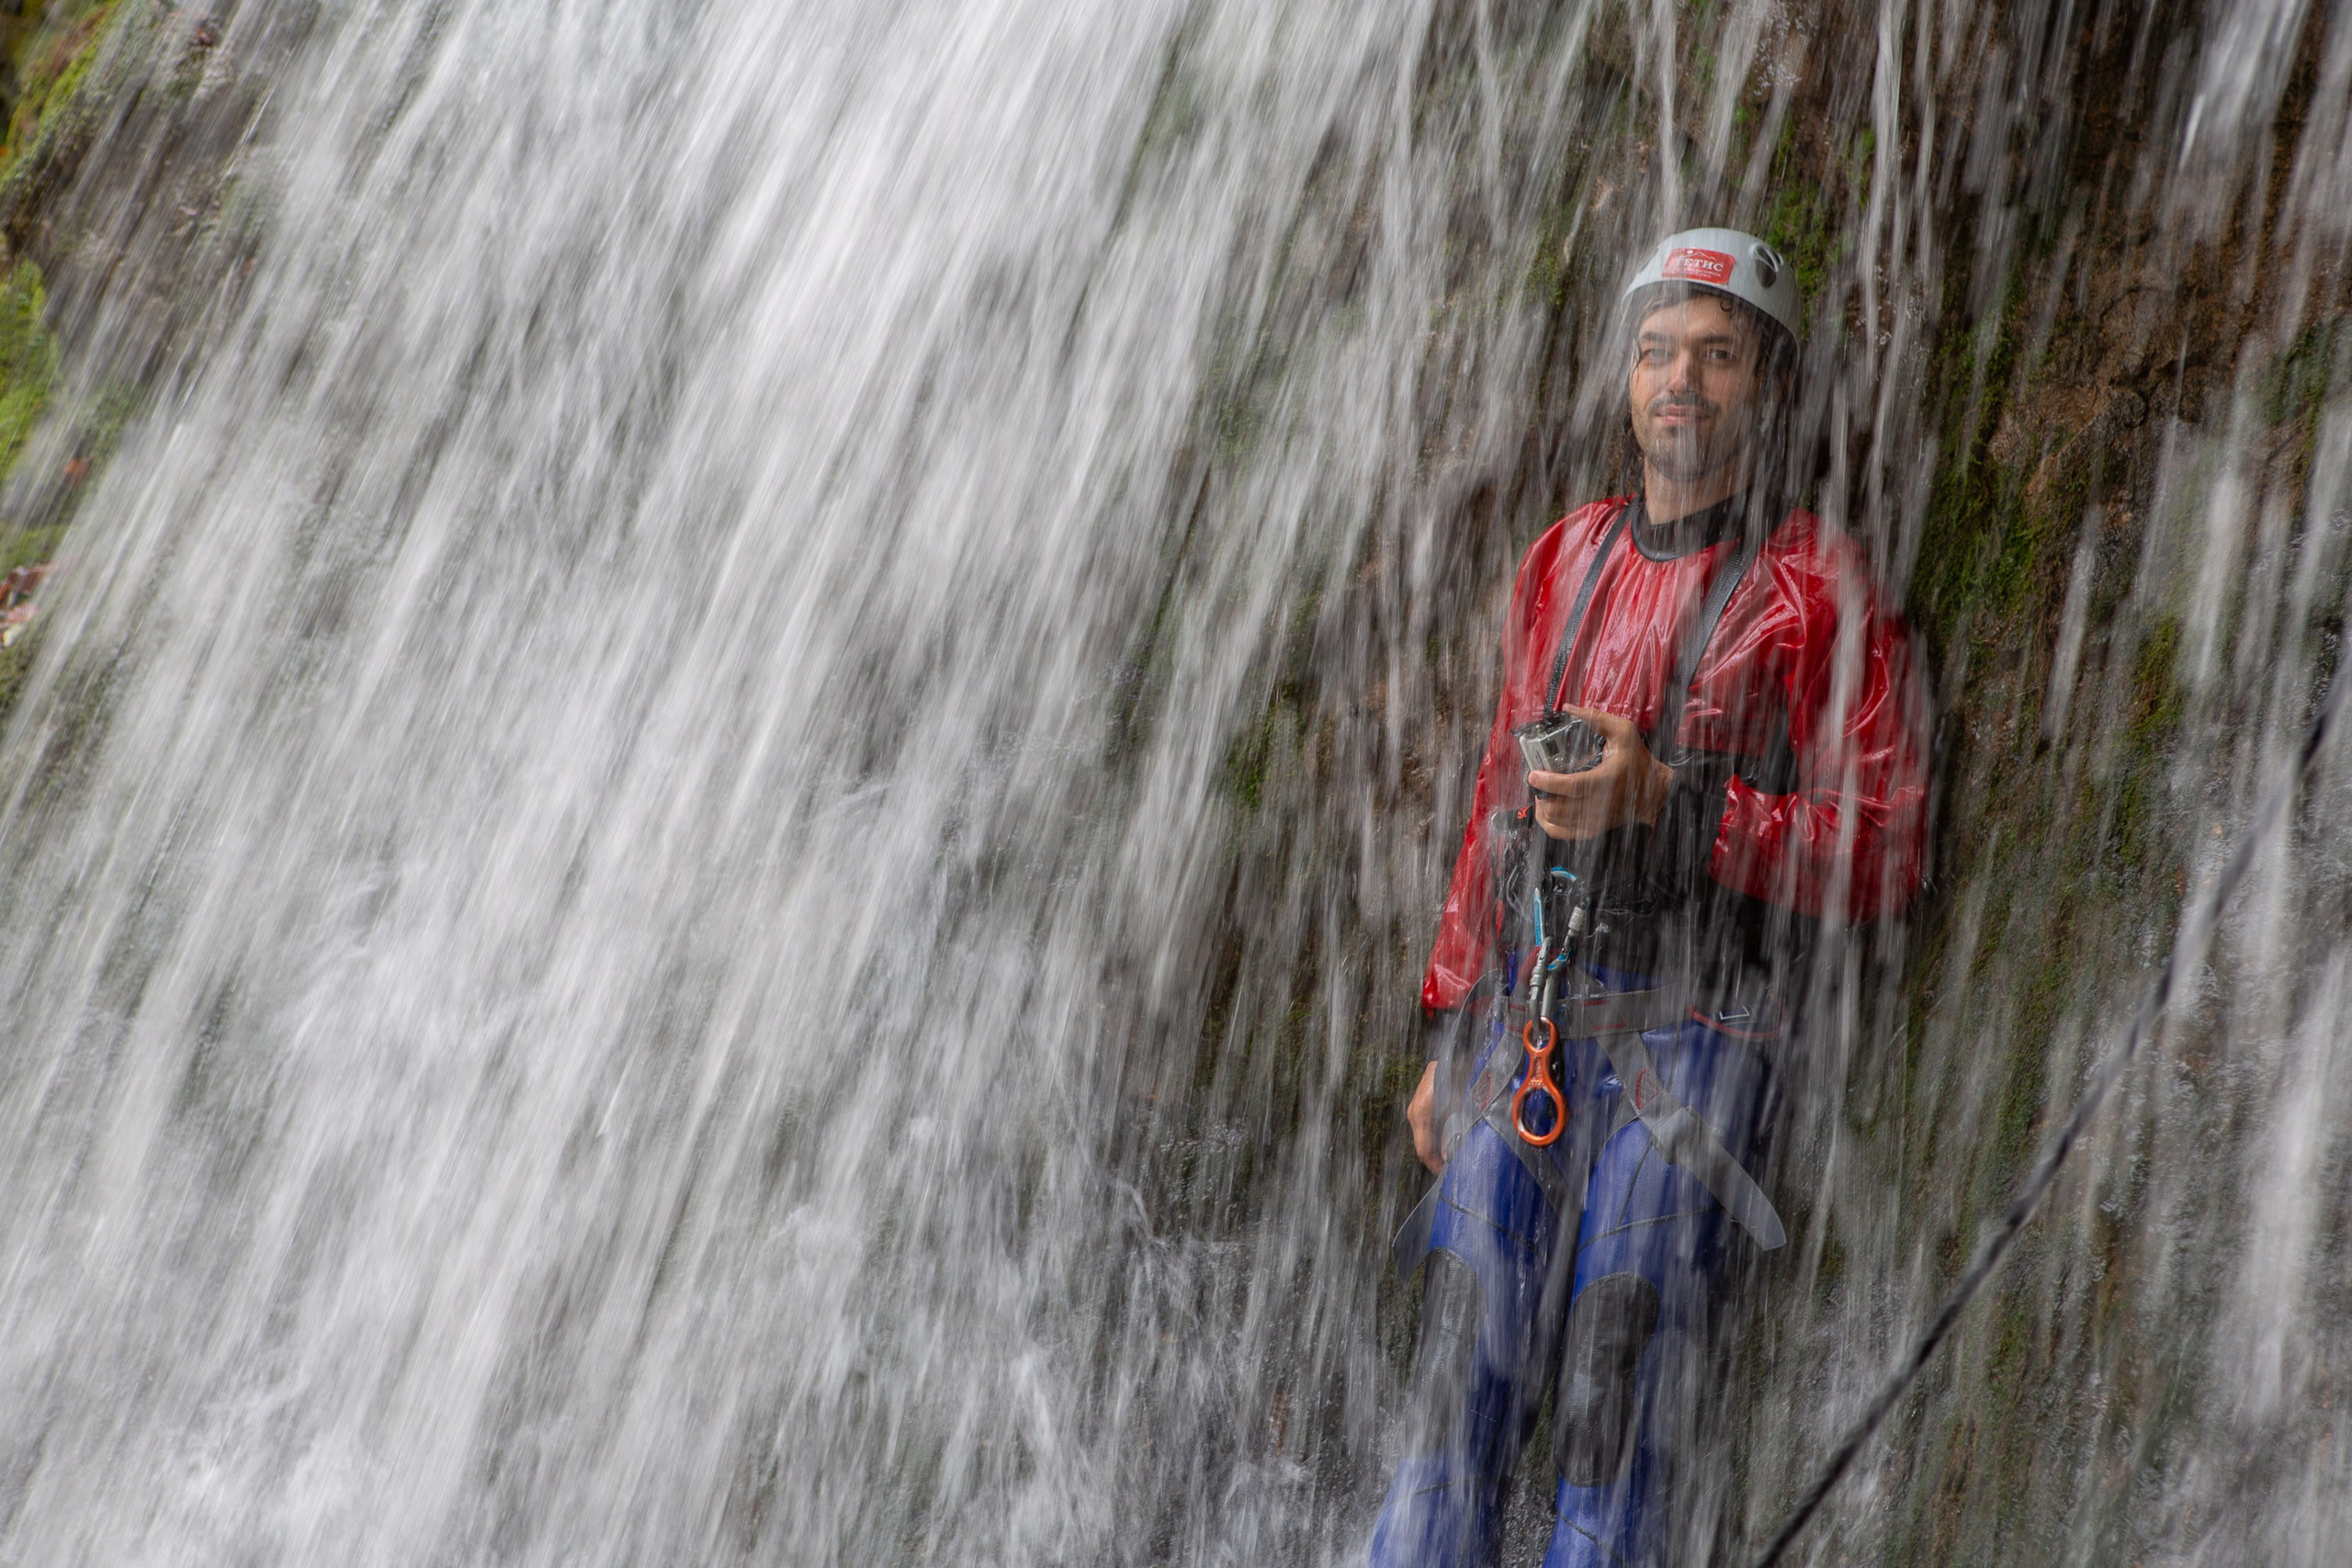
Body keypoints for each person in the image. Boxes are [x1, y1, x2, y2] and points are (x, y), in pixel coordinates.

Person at [1370, 228, 1930, 1568]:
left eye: (1718, 355)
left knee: (1616, 1381)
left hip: (1703, 1032)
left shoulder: (1818, 589)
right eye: (1658, 351)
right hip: (1533, 1026)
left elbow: (1888, 845)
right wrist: (1451, 1027)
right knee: (1455, 1375)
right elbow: (1499, 805)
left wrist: (1677, 804)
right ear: (1625, 377)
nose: (1681, 379)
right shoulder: (1561, 559)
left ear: (1768, 386)